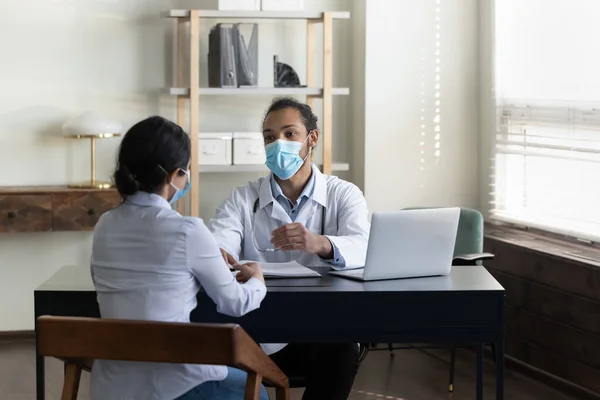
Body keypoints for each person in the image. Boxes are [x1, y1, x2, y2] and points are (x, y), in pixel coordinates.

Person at [89, 116, 269, 400]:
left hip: (112, 385)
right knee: (257, 388)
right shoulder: (187, 230)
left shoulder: (104, 225)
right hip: (171, 384)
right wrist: (257, 280)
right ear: (173, 176)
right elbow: (234, 302)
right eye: (186, 171)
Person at [209, 98, 370, 400]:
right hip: (260, 333)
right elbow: (219, 245)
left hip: (323, 330)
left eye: (289, 134)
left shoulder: (344, 194)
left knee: (344, 347)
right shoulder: (243, 198)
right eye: (269, 137)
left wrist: (320, 243)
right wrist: (218, 256)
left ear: (312, 138)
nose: (277, 143)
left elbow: (364, 245)